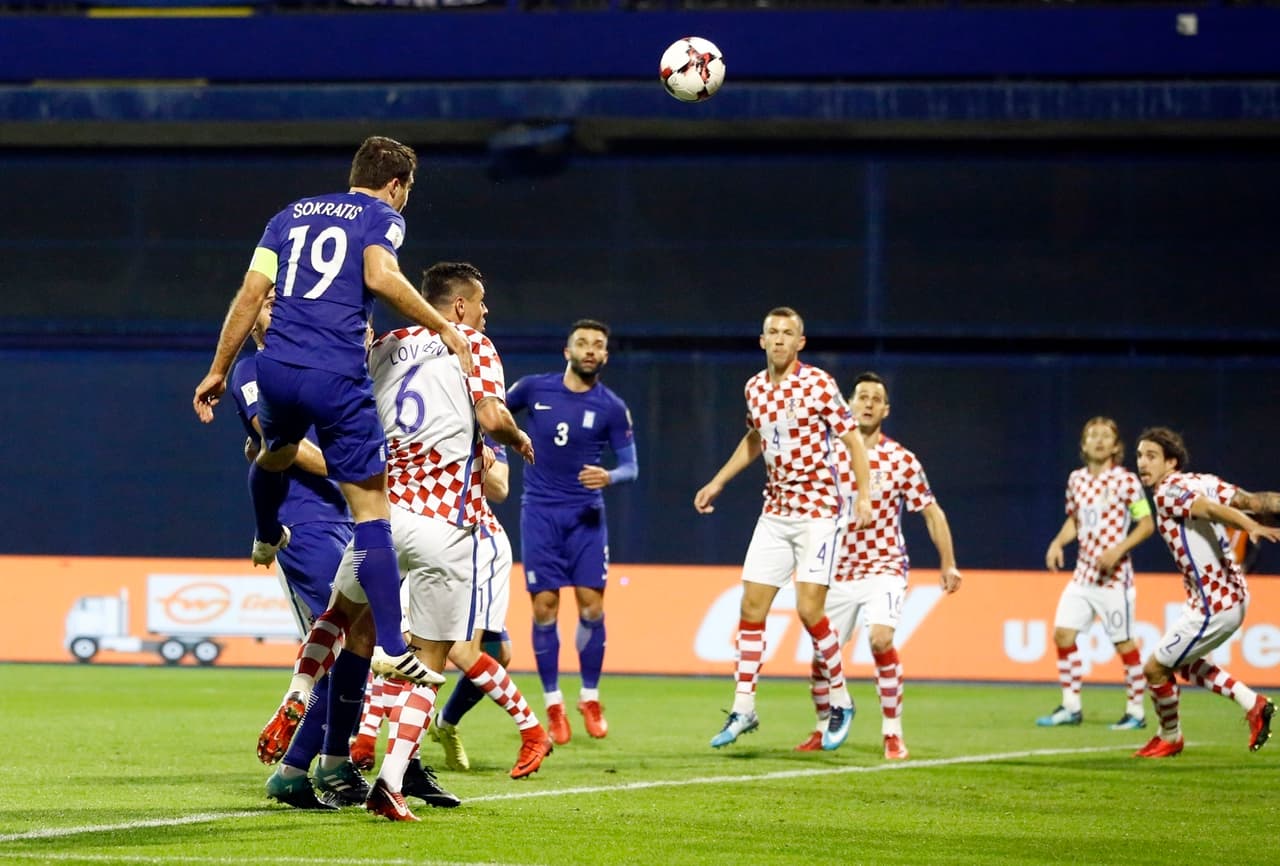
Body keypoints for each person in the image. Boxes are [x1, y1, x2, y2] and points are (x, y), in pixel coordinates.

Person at [192, 135, 472, 689]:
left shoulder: (288, 216)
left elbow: (250, 294)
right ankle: (393, 646)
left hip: (277, 368)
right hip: (335, 375)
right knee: (373, 510)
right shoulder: (381, 216)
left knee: (274, 454)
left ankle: (266, 533)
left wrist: (219, 369)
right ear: (396, 185)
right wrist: (442, 326)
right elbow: (380, 277)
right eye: (407, 190)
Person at [694, 307, 873, 751]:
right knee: (751, 608)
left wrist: (863, 496)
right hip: (775, 512)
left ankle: (841, 700)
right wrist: (718, 481)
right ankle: (744, 708)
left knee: (810, 610)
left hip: (818, 512)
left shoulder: (817, 384)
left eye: (787, 333)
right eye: (772, 332)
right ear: (762, 341)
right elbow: (755, 438)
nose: (778, 339)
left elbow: (852, 439)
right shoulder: (754, 388)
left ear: (800, 343)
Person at [230, 290, 376, 809]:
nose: (275, 309)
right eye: (267, 302)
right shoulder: (252, 370)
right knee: (343, 638)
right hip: (304, 523)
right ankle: (306, 765)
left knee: (363, 639)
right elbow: (278, 443)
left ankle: (325, 761)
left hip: (353, 517)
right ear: (252, 319)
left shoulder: (320, 369)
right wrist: (354, 468)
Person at [797, 372, 962, 760]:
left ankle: (892, 733)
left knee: (881, 640)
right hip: (836, 572)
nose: (868, 403)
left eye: (876, 398)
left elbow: (932, 512)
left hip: (883, 568)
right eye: (862, 396)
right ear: (849, 404)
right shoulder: (827, 453)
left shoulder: (901, 460)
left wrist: (949, 563)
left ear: (886, 410)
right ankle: (823, 726)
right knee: (822, 659)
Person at [505, 319, 638, 744]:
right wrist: (496, 449)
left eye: (598, 345)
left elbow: (631, 466)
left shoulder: (612, 407)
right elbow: (492, 417)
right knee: (544, 607)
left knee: (591, 608)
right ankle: (553, 704)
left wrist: (610, 476)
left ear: (605, 356)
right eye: (582, 343)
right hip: (540, 514)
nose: (590, 350)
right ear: (568, 351)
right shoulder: (533, 389)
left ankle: (590, 697)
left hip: (586, 518)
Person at [1131, 426, 1280, 758]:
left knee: (1155, 669)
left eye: (1151, 456)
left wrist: (1251, 525)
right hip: (1226, 596)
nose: (1142, 462)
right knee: (1183, 663)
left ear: (1171, 462)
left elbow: (1211, 510)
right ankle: (1253, 703)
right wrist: (1256, 514)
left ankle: (1170, 737)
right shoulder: (1203, 481)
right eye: (1139, 456)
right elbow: (1255, 501)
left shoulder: (1167, 493)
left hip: (1216, 604)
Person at [1037, 417, 1155, 731]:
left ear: (1116, 446)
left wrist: (1119, 549)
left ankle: (1136, 712)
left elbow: (1146, 524)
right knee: (1062, 634)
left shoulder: (1126, 481)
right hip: (1083, 576)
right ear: (1083, 445)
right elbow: (1075, 520)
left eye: (1106, 436)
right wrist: (1057, 542)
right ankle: (1071, 707)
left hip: (1115, 580)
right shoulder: (1076, 480)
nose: (1099, 440)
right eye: (1093, 435)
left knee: (1124, 643)